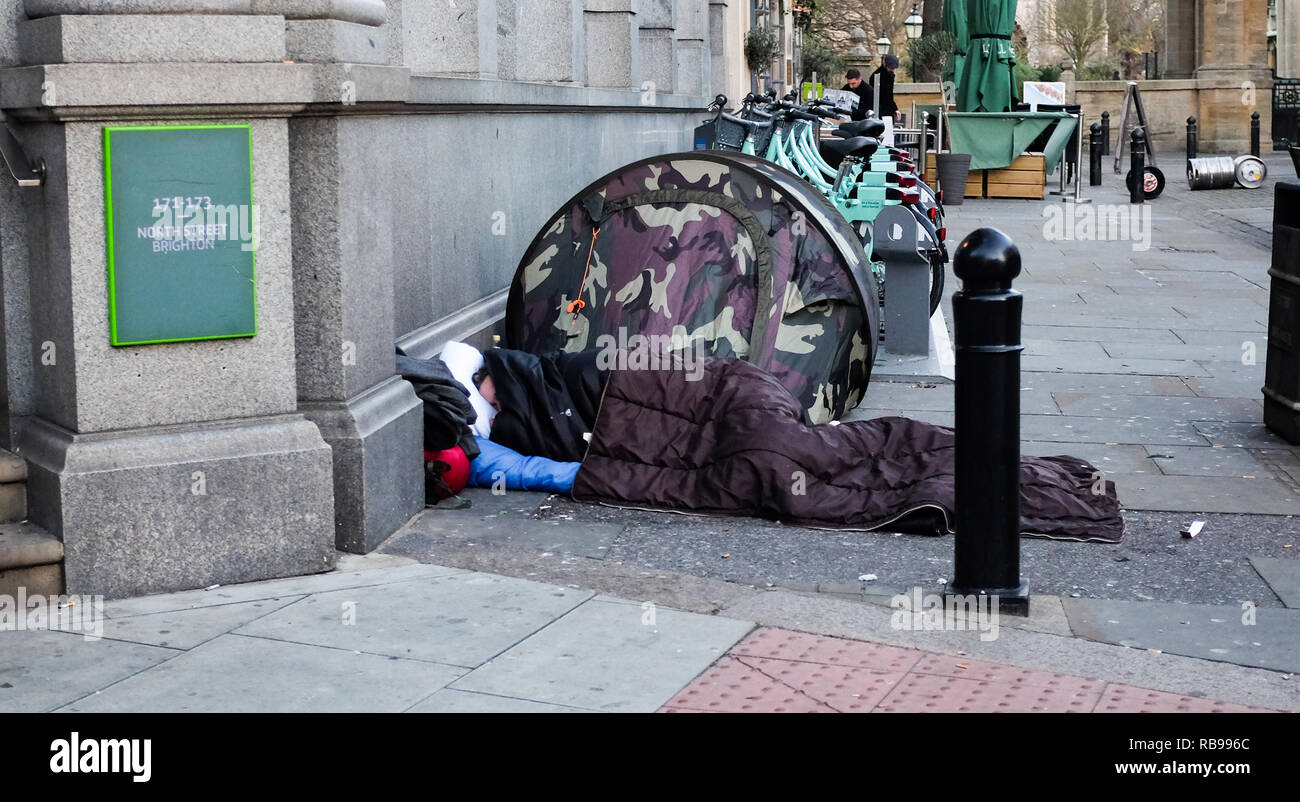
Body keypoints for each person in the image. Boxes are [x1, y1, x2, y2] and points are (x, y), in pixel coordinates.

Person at [870, 54, 900, 122]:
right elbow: (884, 96)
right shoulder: (876, 76)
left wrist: (895, 109)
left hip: (887, 109)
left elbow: (889, 95)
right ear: (885, 64)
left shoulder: (890, 75)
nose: (892, 70)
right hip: (879, 109)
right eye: (890, 68)